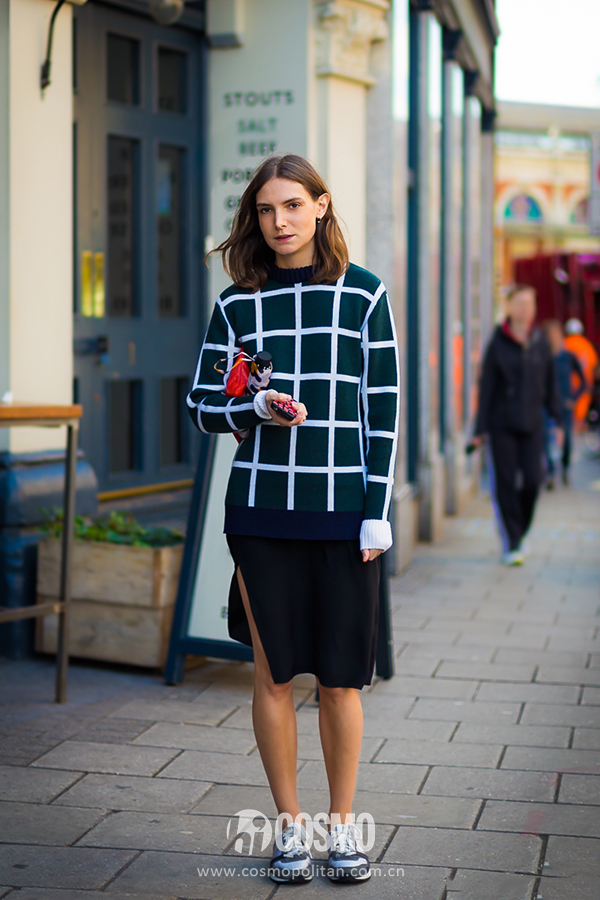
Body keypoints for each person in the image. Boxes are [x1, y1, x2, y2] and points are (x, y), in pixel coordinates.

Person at [187, 154, 399, 884]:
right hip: (260, 514)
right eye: (265, 209)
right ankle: (289, 831)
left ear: (321, 205)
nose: (279, 222)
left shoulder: (364, 295)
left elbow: (383, 411)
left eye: (292, 206)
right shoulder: (236, 304)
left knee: (341, 681)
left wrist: (376, 512)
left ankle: (342, 830)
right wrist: (252, 406)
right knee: (272, 677)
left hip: (344, 515)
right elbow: (202, 405)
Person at [472, 285, 562, 566]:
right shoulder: (498, 343)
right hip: (502, 425)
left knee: (534, 480)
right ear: (509, 307)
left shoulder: (540, 341)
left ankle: (518, 529)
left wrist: (558, 421)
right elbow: (487, 388)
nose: (526, 309)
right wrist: (479, 430)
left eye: (530, 303)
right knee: (505, 483)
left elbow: (550, 384)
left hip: (533, 424)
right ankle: (512, 541)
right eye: (520, 303)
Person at [542, 320, 585, 488]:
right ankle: (551, 473)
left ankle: (565, 469)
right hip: (547, 405)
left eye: (556, 335)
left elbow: (583, 382)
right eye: (550, 336)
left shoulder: (568, 357)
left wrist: (573, 398)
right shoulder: (544, 357)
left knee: (566, 440)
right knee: (546, 439)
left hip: (565, 405)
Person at [564, 318, 599, 428]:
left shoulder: (564, 343)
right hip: (584, 386)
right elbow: (594, 367)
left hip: (567, 385)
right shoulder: (586, 345)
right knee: (580, 414)